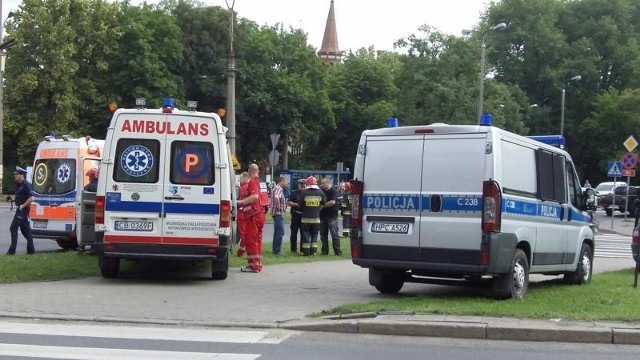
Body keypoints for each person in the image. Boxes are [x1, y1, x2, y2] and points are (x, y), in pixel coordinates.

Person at [237, 164, 266, 273]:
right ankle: (258, 264)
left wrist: (241, 202)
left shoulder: (253, 181)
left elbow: (255, 197)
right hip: (261, 214)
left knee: (250, 240)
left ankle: (253, 266)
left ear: (249, 171)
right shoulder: (262, 182)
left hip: (254, 214)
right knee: (258, 240)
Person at [7, 166, 36, 255]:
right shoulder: (20, 185)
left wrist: (23, 206)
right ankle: (31, 251)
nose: (15, 176)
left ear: (21, 175)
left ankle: (12, 252)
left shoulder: (26, 185)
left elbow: (31, 198)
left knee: (13, 228)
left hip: (22, 211)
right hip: (20, 210)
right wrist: (12, 200)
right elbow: (21, 197)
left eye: (16, 174)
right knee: (26, 231)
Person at [298, 176, 325, 256]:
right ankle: (313, 252)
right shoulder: (321, 192)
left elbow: (300, 205)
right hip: (316, 219)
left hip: (305, 219)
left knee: (305, 234)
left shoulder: (304, 193)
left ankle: (306, 252)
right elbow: (323, 203)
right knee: (315, 234)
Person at [319, 177, 342, 256]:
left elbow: (332, 202)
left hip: (332, 216)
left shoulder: (333, 191)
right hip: (322, 216)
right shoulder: (321, 191)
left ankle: (337, 251)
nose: (322, 185)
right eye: (322, 183)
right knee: (323, 235)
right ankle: (324, 251)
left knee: (334, 234)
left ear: (328, 183)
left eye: (323, 183)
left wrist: (322, 206)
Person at [269, 175, 288, 255]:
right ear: (282, 181)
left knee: (277, 231)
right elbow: (276, 197)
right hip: (278, 213)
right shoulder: (278, 188)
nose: (287, 184)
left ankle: (275, 249)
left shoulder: (277, 188)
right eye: (286, 182)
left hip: (276, 213)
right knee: (280, 231)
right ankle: (277, 250)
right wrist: (279, 207)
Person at [287, 179, 306, 253]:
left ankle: (302, 249)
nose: (302, 186)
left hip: (304, 215)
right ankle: (293, 249)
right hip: (295, 214)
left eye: (303, 185)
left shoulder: (307, 193)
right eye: (300, 184)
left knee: (303, 233)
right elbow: (289, 202)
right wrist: (295, 204)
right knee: (294, 233)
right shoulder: (294, 193)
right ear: (298, 185)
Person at [236, 171, 251, 257]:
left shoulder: (243, 187)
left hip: (242, 213)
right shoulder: (252, 186)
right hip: (249, 213)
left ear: (246, 177)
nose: (240, 180)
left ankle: (243, 250)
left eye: (241, 178)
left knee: (243, 233)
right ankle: (242, 250)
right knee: (246, 233)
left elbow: (240, 200)